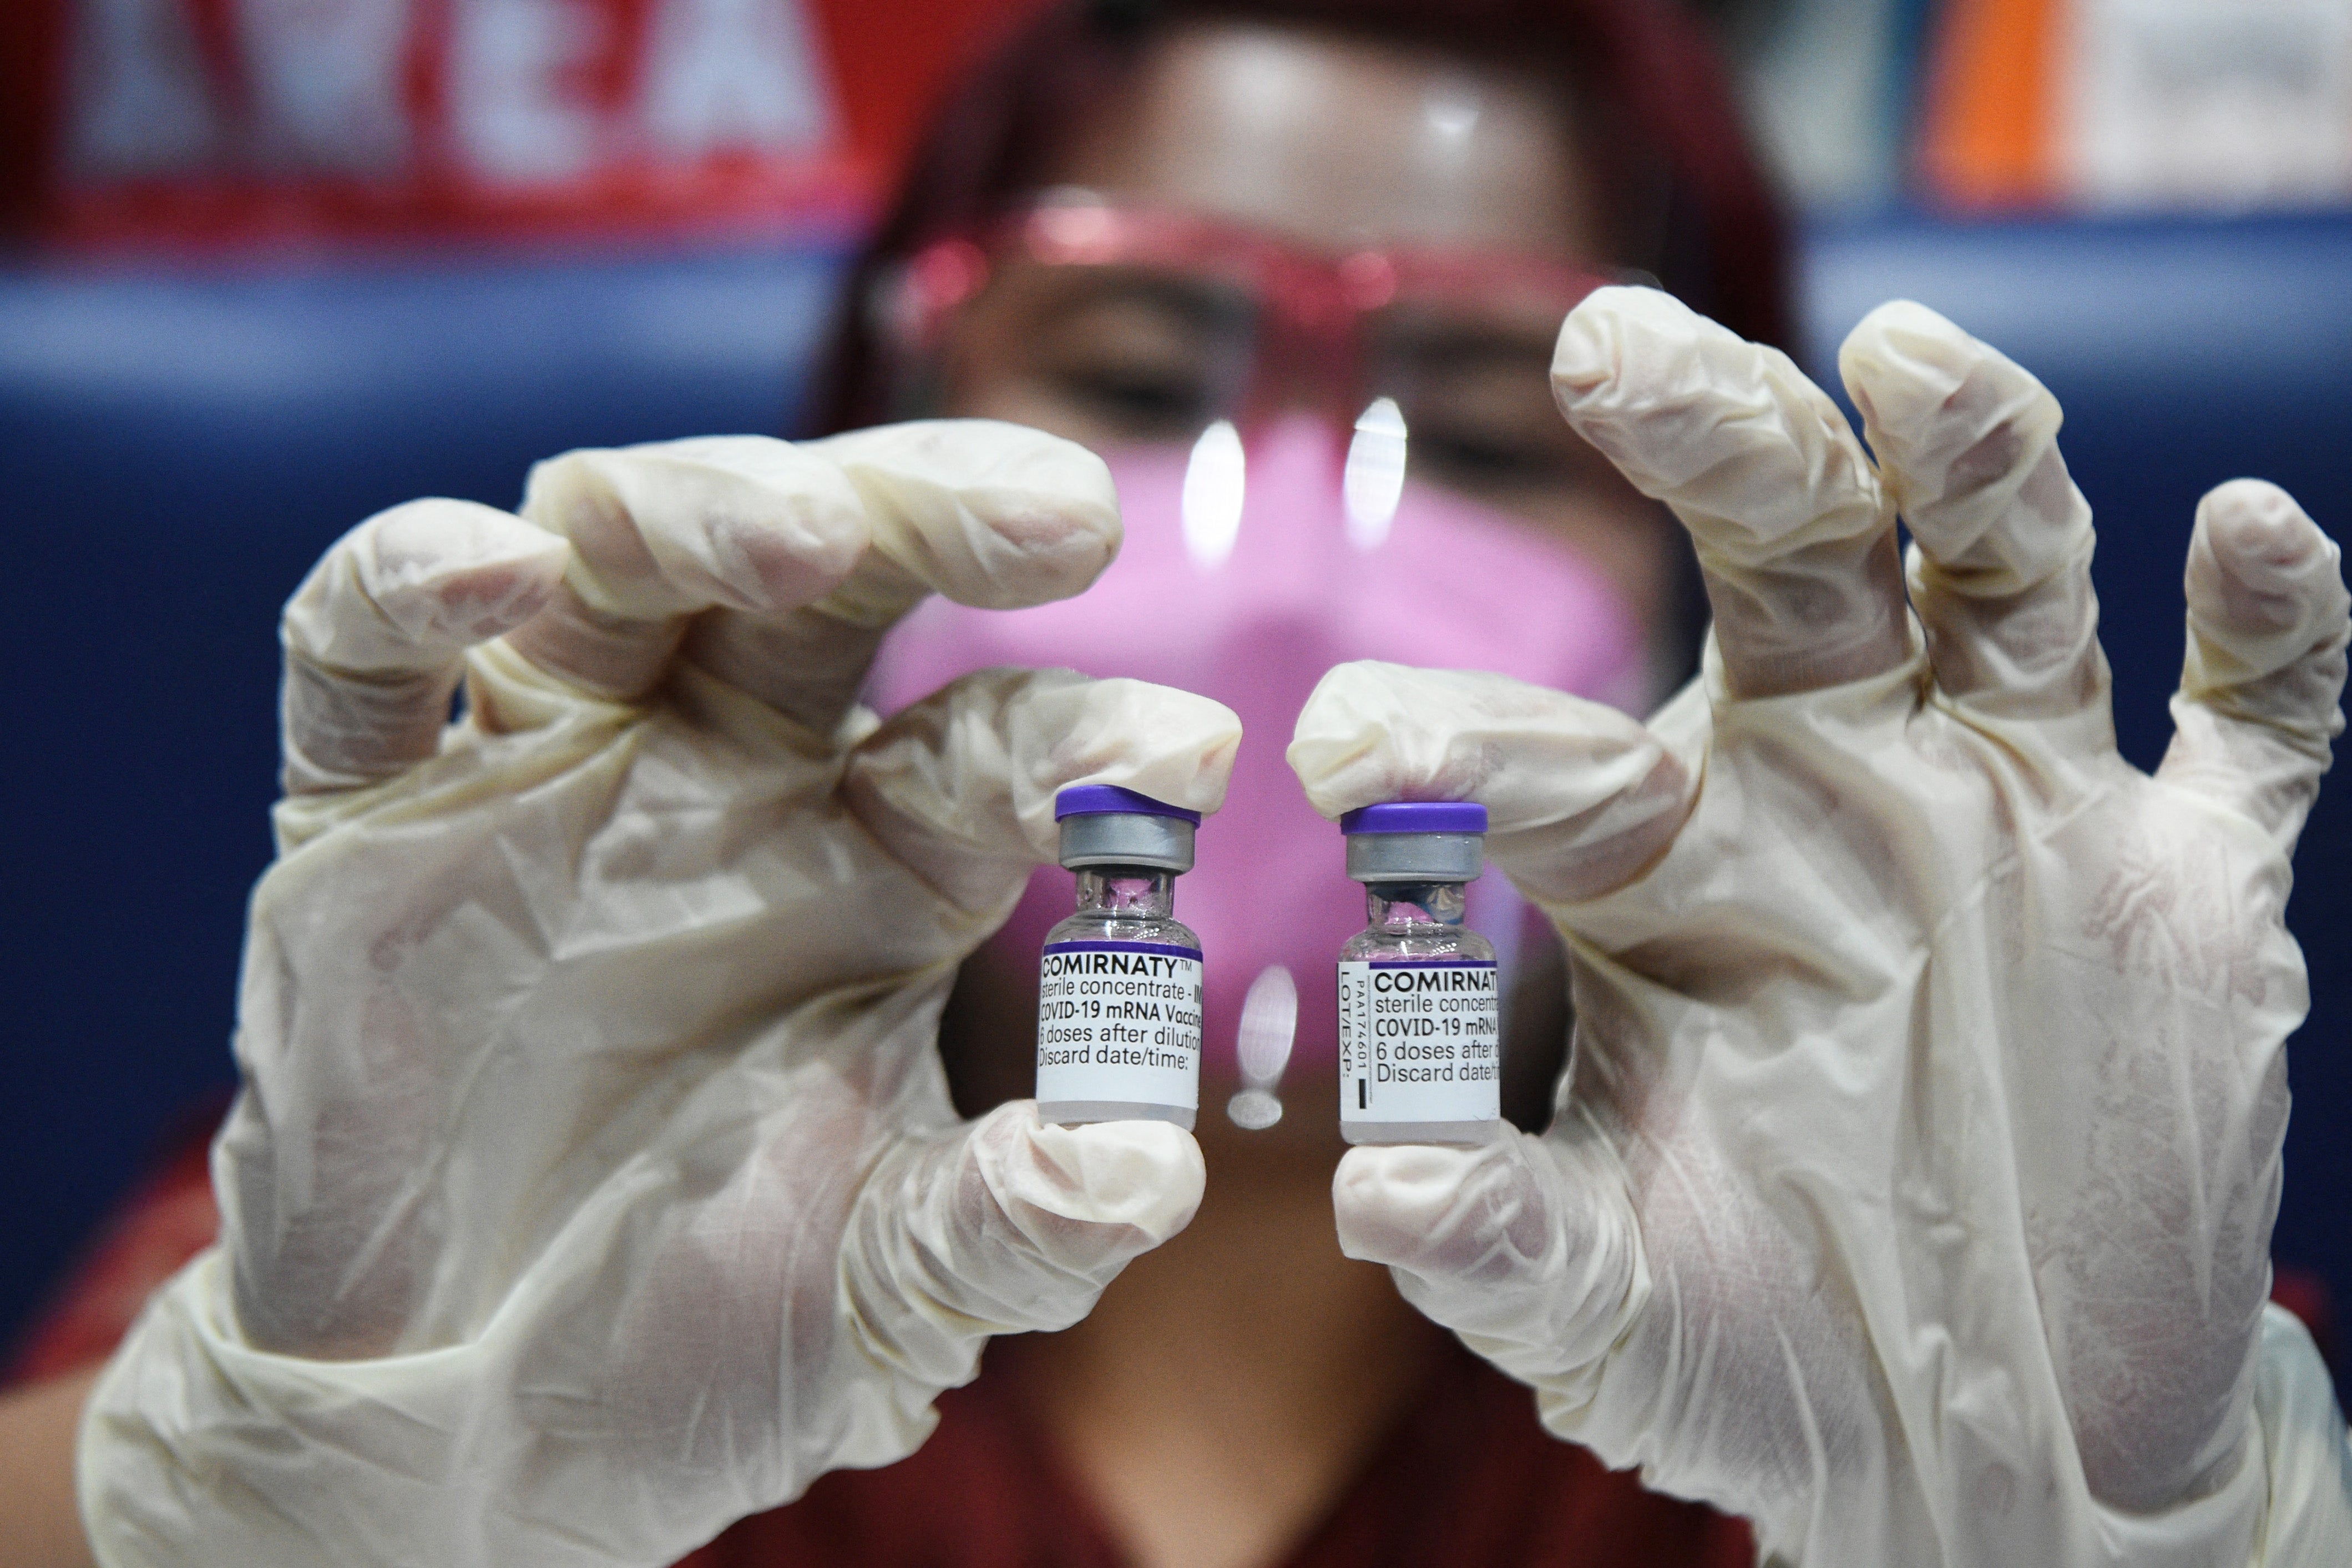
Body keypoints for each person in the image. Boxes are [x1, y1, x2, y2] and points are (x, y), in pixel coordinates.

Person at [10, 3, 2351, 1566]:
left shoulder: (1945, 1221)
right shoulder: (543, 1147)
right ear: (861, 451)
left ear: (1705, 551)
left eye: (1485, 421)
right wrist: (231, 1498)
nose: (1287, 555)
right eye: (1134, 378)